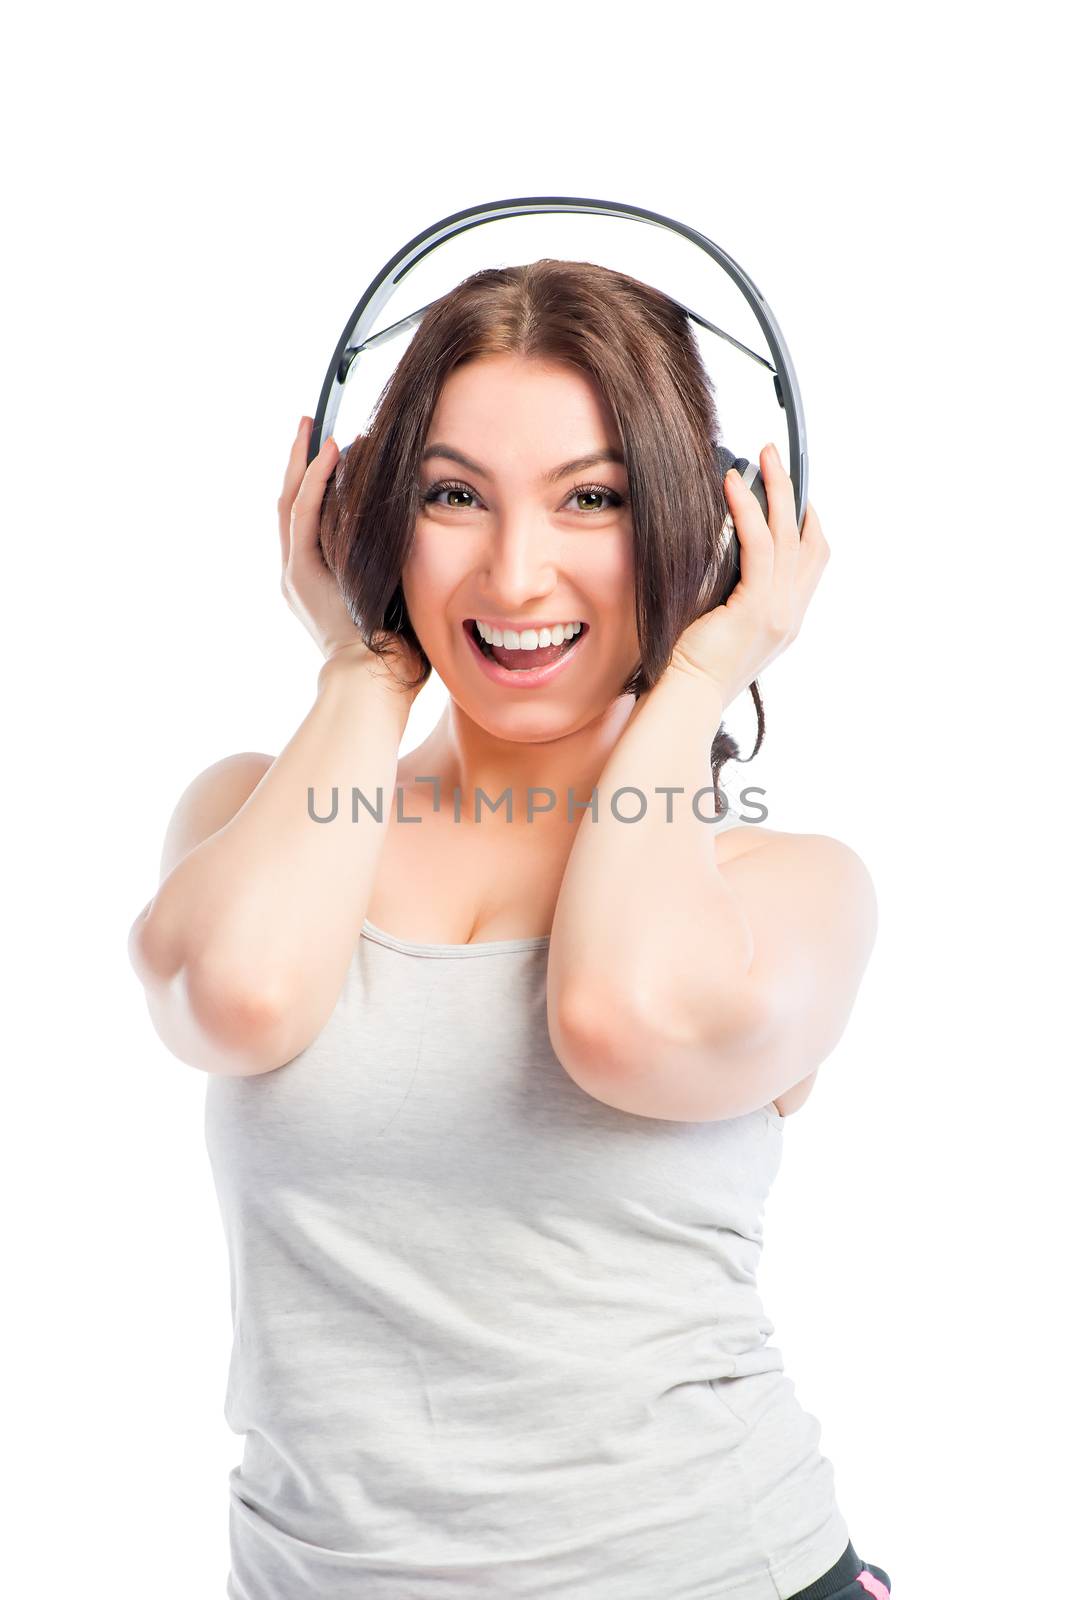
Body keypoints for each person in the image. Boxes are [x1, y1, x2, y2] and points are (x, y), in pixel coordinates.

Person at [128, 260, 891, 1598]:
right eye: (451, 495)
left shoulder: (784, 888)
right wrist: (364, 663)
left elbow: (626, 1020)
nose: (515, 569)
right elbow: (236, 1000)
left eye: (592, 498)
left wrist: (703, 665)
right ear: (370, 513)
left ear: (701, 522)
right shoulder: (257, 810)